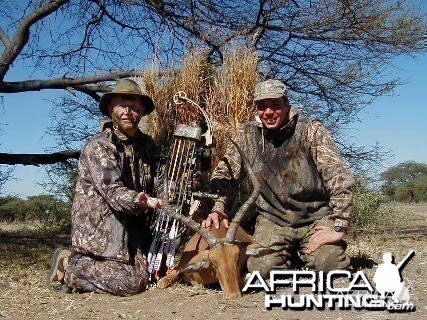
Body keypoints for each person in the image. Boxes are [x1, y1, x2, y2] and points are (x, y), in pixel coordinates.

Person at [203, 79, 354, 276]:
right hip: (273, 220)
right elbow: (225, 172)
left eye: (275, 105)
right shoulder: (246, 135)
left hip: (316, 217)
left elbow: (338, 176)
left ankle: (308, 253)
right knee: (261, 268)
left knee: (331, 265)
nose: (268, 112)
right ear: (256, 109)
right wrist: (218, 207)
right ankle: (290, 255)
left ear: (287, 106)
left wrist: (339, 226)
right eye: (262, 106)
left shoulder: (311, 129)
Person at [47, 79, 163, 296]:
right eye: (122, 106)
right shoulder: (99, 146)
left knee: (157, 269)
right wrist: (142, 200)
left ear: (142, 112)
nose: (128, 112)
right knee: (133, 283)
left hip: (133, 230)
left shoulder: (149, 146)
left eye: (135, 107)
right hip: (102, 232)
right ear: (111, 108)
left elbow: (164, 181)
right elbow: (114, 193)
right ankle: (71, 267)